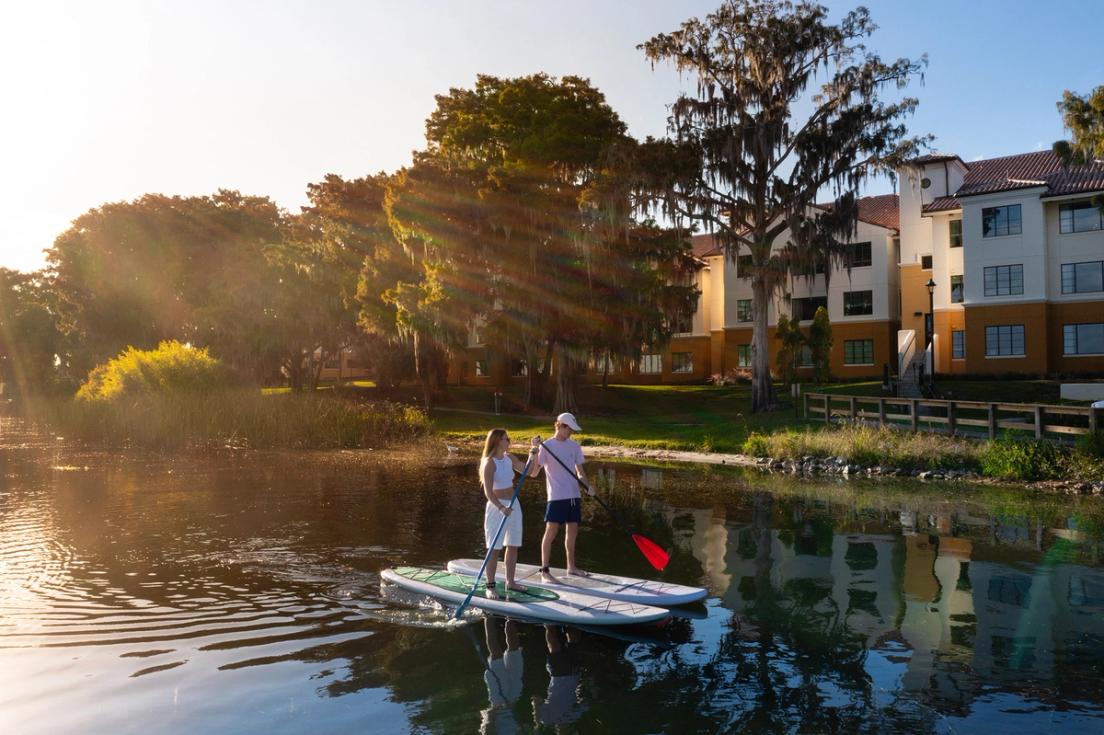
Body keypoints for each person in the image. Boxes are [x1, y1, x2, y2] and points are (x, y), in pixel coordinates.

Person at [480, 428, 540, 599]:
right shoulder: (489, 462)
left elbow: (528, 471)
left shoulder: (509, 458)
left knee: (512, 545)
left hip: (514, 505)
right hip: (497, 507)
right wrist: (500, 507)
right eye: (507, 439)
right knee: (494, 548)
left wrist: (532, 453)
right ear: (498, 441)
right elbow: (488, 492)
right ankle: (490, 586)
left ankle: (510, 582)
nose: (509, 441)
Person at [535, 412, 590, 583]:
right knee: (551, 531)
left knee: (572, 531)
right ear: (559, 426)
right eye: (569, 429)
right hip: (556, 497)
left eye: (572, 430)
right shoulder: (546, 446)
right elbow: (534, 472)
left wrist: (588, 486)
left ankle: (571, 567)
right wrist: (534, 450)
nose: (571, 433)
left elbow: (580, 472)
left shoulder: (574, 447)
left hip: (574, 495)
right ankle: (544, 570)